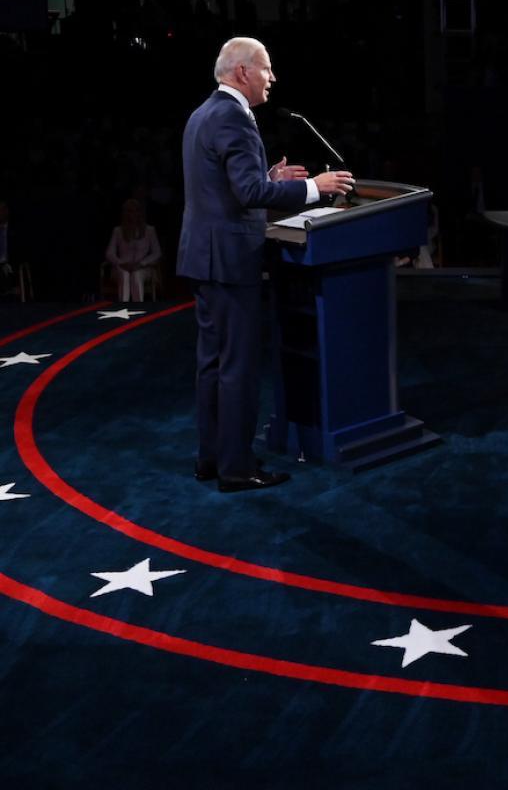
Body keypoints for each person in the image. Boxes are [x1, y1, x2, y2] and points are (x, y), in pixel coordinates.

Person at [179, 37, 353, 492]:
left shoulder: (202, 114)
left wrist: (269, 178)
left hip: (203, 257)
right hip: (230, 260)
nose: (272, 77)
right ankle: (237, 469)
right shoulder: (234, 117)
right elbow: (249, 194)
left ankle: (212, 458)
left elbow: (228, 185)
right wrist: (314, 187)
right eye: (266, 69)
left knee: (212, 364)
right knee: (236, 367)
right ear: (243, 72)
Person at [104, 198, 161, 301]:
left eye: (136, 211)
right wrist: (121, 263)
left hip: (143, 267)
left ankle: (138, 307)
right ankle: (124, 306)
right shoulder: (118, 231)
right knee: (124, 275)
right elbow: (109, 253)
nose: (133, 214)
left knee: (136, 275)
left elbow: (157, 252)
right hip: (122, 267)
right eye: (129, 211)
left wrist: (141, 263)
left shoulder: (149, 230)